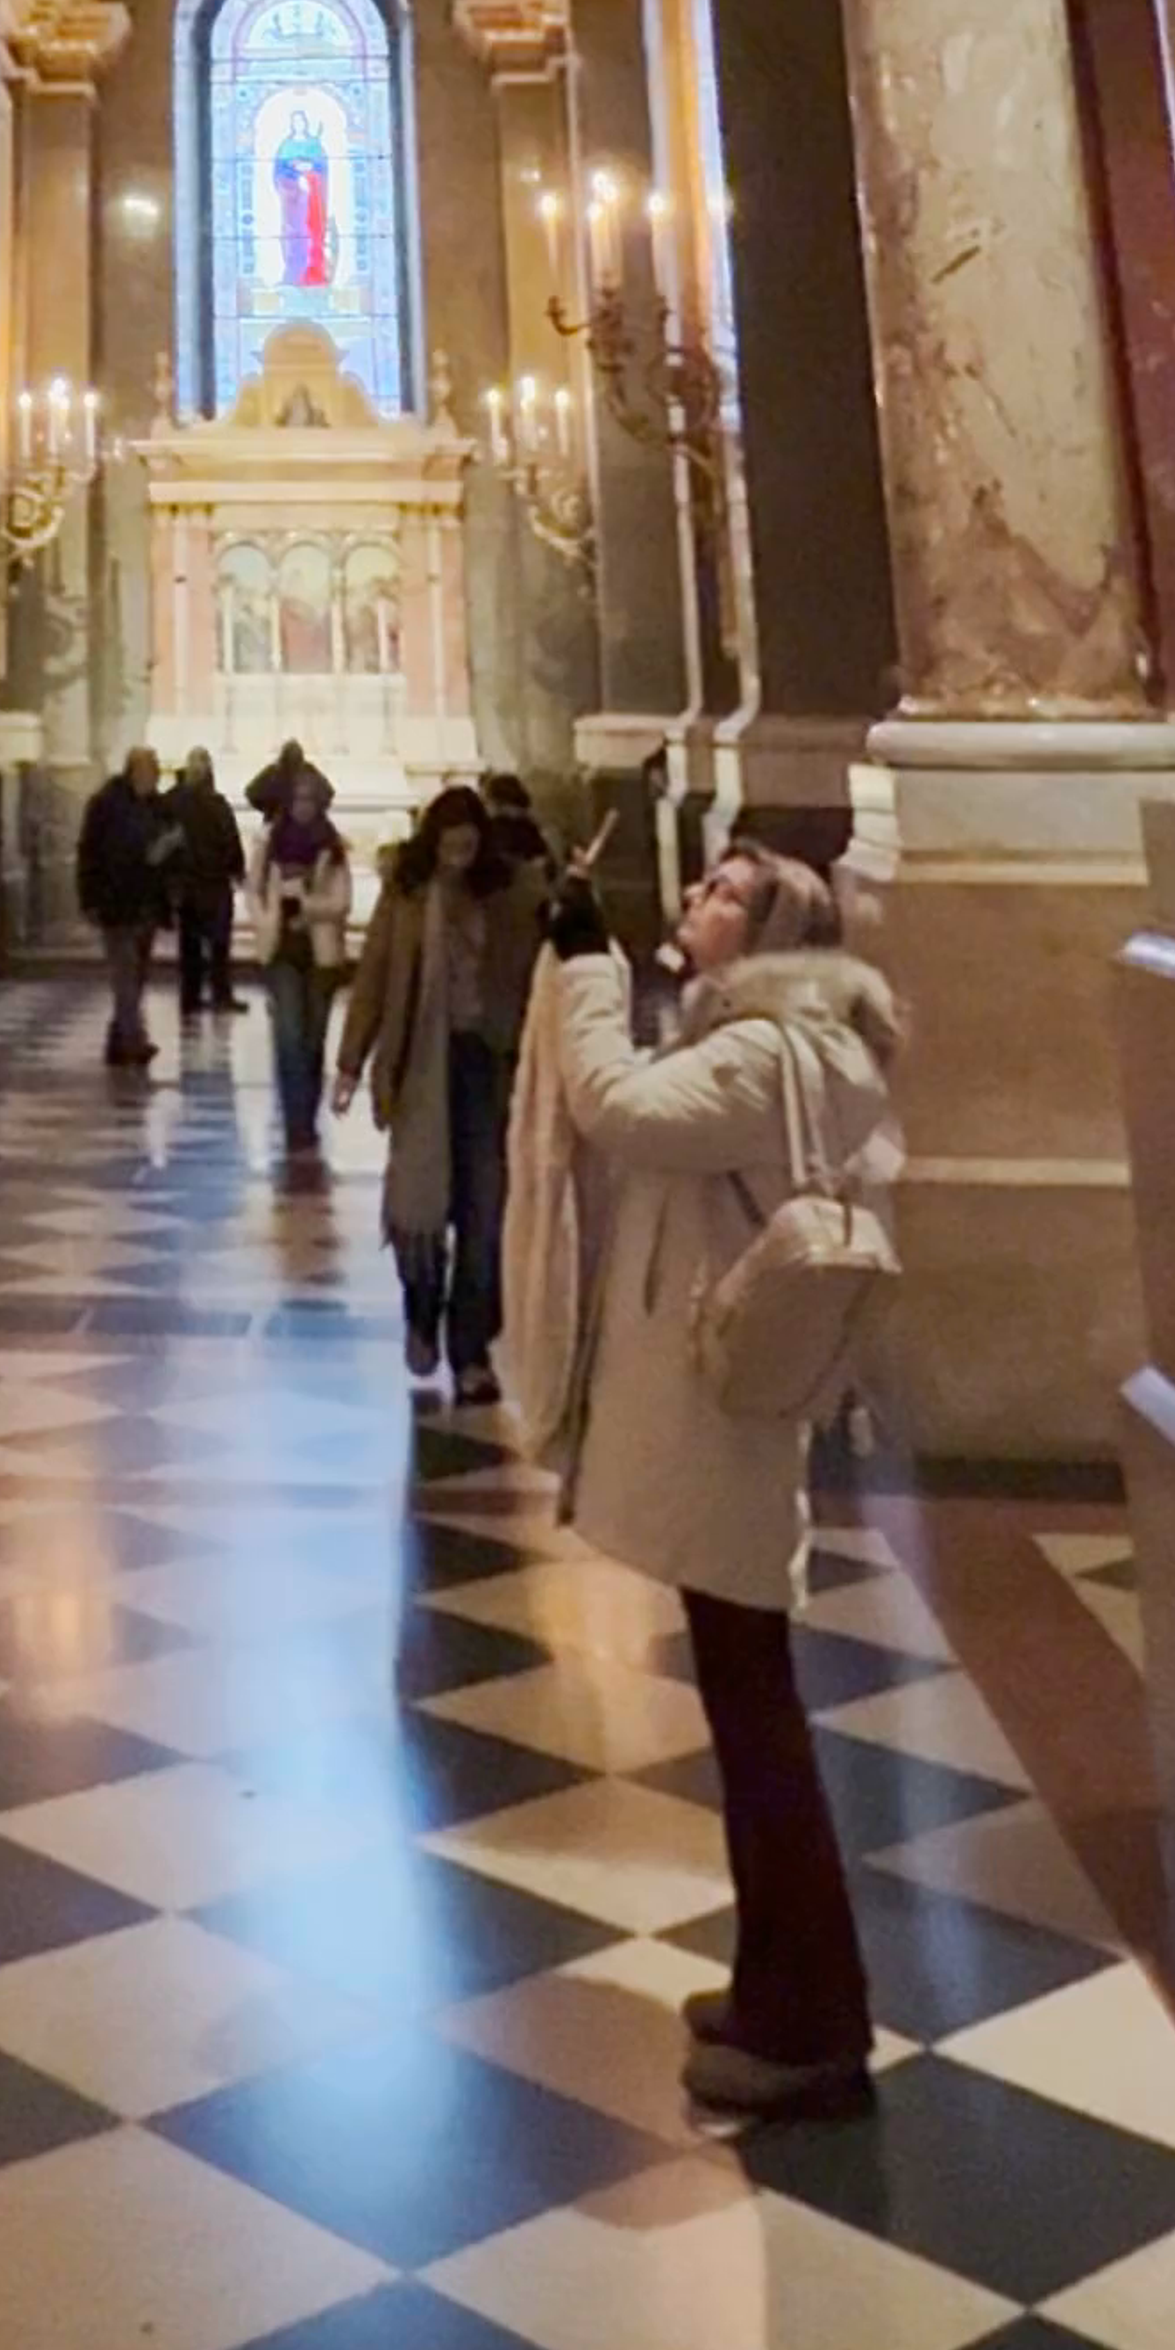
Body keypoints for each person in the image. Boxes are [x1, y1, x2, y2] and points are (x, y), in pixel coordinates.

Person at [523, 835, 901, 2122]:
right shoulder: (782, 1046)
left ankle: (815, 2025)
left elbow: (614, 1104)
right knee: (749, 1707)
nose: (699, 897)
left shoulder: (764, 1053)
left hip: (723, 1416)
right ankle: (774, 1981)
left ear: (778, 934)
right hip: (733, 1415)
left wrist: (585, 962)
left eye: (729, 893)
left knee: (760, 1722)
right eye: (706, 881)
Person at [334, 779, 546, 1394]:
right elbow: (375, 976)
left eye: (467, 849)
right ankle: (422, 1311)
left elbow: (541, 949)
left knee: (485, 1211)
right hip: (422, 1066)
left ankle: (471, 1347)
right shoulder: (406, 895)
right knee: (419, 1205)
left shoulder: (508, 895)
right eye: (449, 849)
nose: (457, 861)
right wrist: (350, 1063)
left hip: (487, 1065)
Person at [252, 753, 356, 1168]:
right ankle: (295, 1122)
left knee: (312, 1041)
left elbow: (342, 903)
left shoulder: (333, 847)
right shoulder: (270, 841)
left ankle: (307, 1117)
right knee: (289, 1036)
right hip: (281, 950)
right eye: (298, 798)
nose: (304, 806)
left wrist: (307, 904)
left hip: (321, 954)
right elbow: (254, 888)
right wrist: (266, 917)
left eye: (311, 799)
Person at [74, 747, 176, 1075]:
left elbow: (165, 850)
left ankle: (118, 1040)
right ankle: (133, 1041)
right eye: (148, 772)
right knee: (126, 976)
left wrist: (167, 852)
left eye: (155, 773)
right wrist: (89, 899)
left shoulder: (157, 806)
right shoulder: (106, 804)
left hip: (146, 903)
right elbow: (89, 853)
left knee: (138, 975)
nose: (153, 779)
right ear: (133, 771)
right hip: (116, 902)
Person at [164, 748, 244, 1028]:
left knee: (198, 944)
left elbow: (229, 838)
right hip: (206, 881)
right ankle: (213, 994)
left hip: (199, 881)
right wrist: (236, 868)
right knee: (211, 943)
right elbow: (229, 838)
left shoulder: (175, 801)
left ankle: (194, 997)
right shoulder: (211, 802)